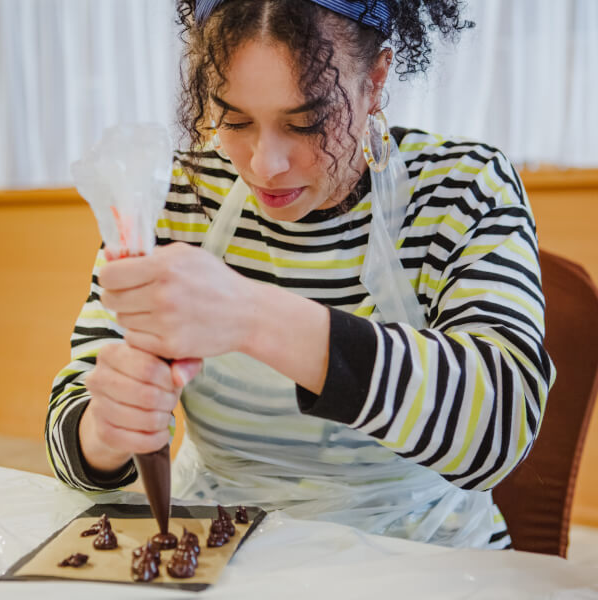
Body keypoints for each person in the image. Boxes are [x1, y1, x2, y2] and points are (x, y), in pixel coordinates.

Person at [46, 0, 554, 549]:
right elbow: (73, 422)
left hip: (423, 552)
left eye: (307, 122)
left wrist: (252, 316)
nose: (266, 163)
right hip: (223, 548)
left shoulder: (465, 190)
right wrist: (107, 429)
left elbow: (501, 428)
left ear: (375, 78)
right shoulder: (175, 195)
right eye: (234, 120)